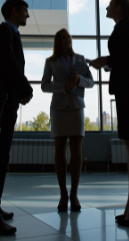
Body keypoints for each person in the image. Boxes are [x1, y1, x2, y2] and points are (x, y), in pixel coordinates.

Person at [89, 0, 129, 226]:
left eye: (110, 4)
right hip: (126, 86)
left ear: (119, 7)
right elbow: (124, 57)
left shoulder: (126, 26)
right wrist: (106, 62)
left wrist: (106, 59)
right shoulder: (123, 26)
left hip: (128, 86)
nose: (106, 7)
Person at [0, 0, 34, 236]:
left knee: (0, 155)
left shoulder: (7, 33)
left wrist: (18, 91)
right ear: (14, 11)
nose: (27, 16)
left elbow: (8, 68)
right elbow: (10, 65)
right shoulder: (3, 33)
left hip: (5, 101)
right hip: (2, 104)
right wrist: (26, 88)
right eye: (25, 11)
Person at [41, 28, 94, 212]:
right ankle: (63, 194)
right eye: (63, 38)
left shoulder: (80, 59)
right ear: (58, 41)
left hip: (77, 107)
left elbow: (91, 82)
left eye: (69, 37)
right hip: (59, 108)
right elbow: (44, 86)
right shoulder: (50, 61)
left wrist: (79, 80)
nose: (67, 40)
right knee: (60, 151)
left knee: (77, 152)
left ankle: (74, 194)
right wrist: (64, 86)